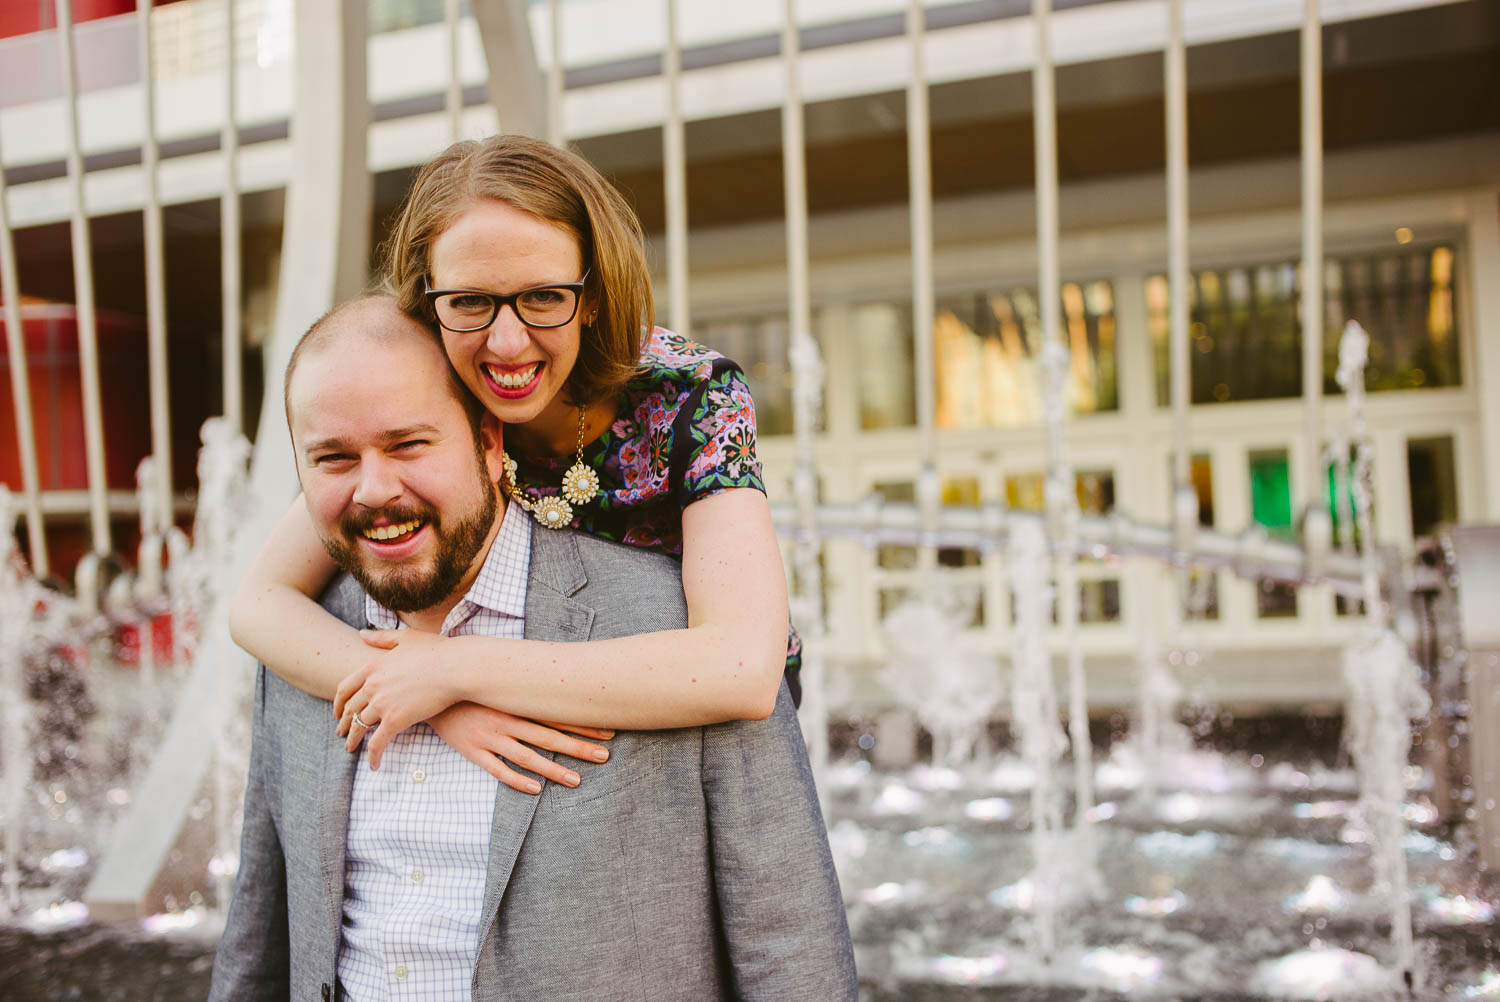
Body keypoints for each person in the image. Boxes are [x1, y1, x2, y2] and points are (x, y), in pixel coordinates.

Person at [208, 297, 856, 1000]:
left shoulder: (682, 629)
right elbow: (261, 939)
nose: (374, 489)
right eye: (333, 458)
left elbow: (791, 946)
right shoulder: (304, 640)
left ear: (490, 444)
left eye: (409, 445)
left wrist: (458, 674)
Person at [229, 134, 799, 789]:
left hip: (695, 749)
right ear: (430, 296)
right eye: (470, 302)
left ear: (590, 293)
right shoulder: (431, 387)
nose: (506, 344)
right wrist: (428, 697)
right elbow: (258, 603)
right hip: (522, 750)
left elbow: (742, 669)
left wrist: (453, 671)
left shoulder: (692, 395)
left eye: (544, 297)